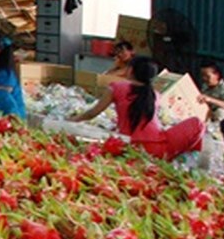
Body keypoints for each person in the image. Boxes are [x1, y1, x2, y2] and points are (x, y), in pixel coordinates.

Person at [70, 56, 204, 161]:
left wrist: (73, 120)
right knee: (197, 123)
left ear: (131, 70)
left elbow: (93, 113)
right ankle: (182, 157)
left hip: (132, 147)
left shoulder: (117, 87)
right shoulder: (154, 94)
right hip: (160, 147)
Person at [198, 61, 224, 142]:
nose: (204, 78)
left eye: (207, 76)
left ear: (217, 75)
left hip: (221, 125)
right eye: (203, 76)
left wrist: (211, 100)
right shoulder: (205, 86)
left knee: (220, 111)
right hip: (208, 120)